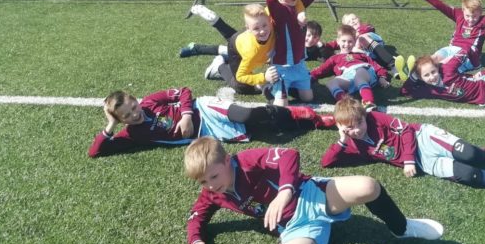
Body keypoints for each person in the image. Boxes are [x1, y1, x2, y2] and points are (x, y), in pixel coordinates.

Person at [185, 136, 444, 244]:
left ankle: (401, 228)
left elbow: (288, 155)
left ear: (227, 160)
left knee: (368, 185)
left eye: (214, 176)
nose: (210, 185)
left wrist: (285, 192)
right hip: (296, 228)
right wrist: (195, 241)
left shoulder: (247, 161)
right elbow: (197, 216)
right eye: (203, 182)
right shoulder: (212, 193)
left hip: (310, 194)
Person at [322, 98, 485, 200]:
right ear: (342, 127)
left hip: (423, 137)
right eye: (349, 128)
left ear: (365, 117)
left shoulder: (375, 117)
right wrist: (342, 141)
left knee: (471, 155)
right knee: (471, 176)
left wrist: (407, 160)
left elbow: (406, 130)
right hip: (424, 163)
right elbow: (327, 162)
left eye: (358, 124)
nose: (356, 130)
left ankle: (484, 153)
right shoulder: (352, 143)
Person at [87, 87, 334, 157]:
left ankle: (304, 114)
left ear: (135, 100)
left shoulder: (151, 101)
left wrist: (185, 115)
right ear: (121, 121)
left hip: (204, 110)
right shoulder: (132, 135)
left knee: (247, 115)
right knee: (265, 131)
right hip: (208, 131)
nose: (134, 114)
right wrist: (109, 125)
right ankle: (310, 122)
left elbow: (183, 91)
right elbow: (96, 152)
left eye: (133, 107)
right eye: (126, 116)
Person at [180, 3, 280, 95]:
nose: (262, 31)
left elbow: (276, 3)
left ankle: (216, 21)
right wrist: (263, 77)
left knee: (238, 38)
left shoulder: (264, 19)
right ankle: (218, 66)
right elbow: (241, 77)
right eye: (257, 28)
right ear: (248, 29)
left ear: (270, 20)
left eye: (265, 25)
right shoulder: (251, 52)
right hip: (238, 48)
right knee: (242, 88)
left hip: (246, 40)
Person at [266, 0, 322, 107]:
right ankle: (269, 88)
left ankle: (287, 87)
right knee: (281, 105)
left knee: (308, 98)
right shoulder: (277, 10)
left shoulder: (299, 3)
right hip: (282, 65)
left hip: (299, 64)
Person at [309, 25, 390, 108]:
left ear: (355, 42)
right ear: (338, 41)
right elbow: (321, 70)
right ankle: (347, 103)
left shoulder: (360, 55)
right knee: (331, 83)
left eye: (350, 41)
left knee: (359, 73)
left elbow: (376, 65)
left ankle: (369, 102)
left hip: (365, 73)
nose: (346, 44)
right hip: (348, 77)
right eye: (343, 41)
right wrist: (309, 76)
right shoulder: (334, 58)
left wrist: (382, 77)